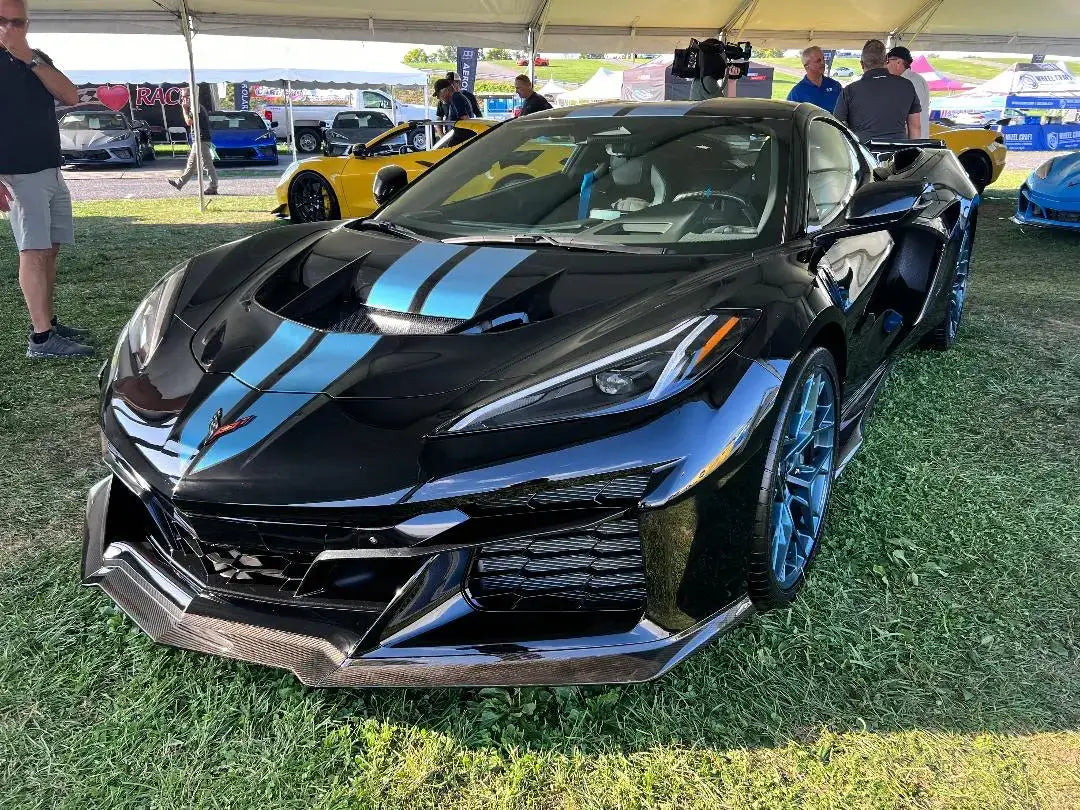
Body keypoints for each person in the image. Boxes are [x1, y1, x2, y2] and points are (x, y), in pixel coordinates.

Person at [0, 0, 93, 359]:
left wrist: (29, 58)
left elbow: (69, 95)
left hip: (50, 168)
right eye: (2, 21)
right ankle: (41, 340)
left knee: (49, 248)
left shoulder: (35, 57)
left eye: (18, 22)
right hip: (17, 173)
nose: (9, 28)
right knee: (33, 251)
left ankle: (47, 322)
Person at [833, 39, 922, 143]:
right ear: (886, 60)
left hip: (863, 154)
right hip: (899, 154)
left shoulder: (849, 91)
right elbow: (915, 127)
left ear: (862, 64)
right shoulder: (907, 85)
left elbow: (837, 129)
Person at [168, 87, 218, 195]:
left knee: (207, 164)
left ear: (192, 96)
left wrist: (184, 109)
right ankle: (179, 183)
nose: (183, 99)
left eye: (186, 96)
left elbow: (189, 122)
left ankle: (213, 187)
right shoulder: (194, 107)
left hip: (201, 139)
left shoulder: (195, 108)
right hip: (199, 139)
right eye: (182, 97)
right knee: (192, 164)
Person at [886, 46, 931, 140]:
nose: (886, 66)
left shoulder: (913, 82)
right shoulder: (907, 80)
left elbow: (913, 114)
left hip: (913, 140)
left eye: (888, 61)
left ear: (898, 62)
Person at [786, 46, 843, 113]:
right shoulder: (797, 93)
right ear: (806, 66)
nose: (823, 63)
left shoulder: (835, 86)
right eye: (818, 61)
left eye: (823, 59)